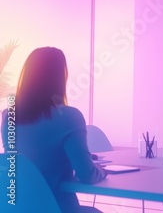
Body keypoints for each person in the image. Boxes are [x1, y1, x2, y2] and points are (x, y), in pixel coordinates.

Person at [1, 47, 107, 213]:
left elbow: (15, 167)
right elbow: (87, 175)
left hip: (17, 208)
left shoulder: (9, 116)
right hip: (57, 207)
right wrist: (101, 171)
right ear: (60, 78)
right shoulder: (69, 117)